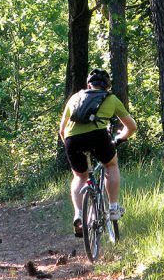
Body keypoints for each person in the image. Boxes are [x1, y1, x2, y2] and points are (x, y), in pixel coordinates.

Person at [58, 68, 136, 237]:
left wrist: (71, 147)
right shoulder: (111, 99)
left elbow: (62, 130)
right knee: (111, 164)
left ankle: (79, 214)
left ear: (89, 84)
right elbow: (131, 127)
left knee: (79, 176)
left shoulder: (75, 97)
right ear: (107, 87)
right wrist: (120, 139)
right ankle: (114, 207)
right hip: (98, 137)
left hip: (72, 139)